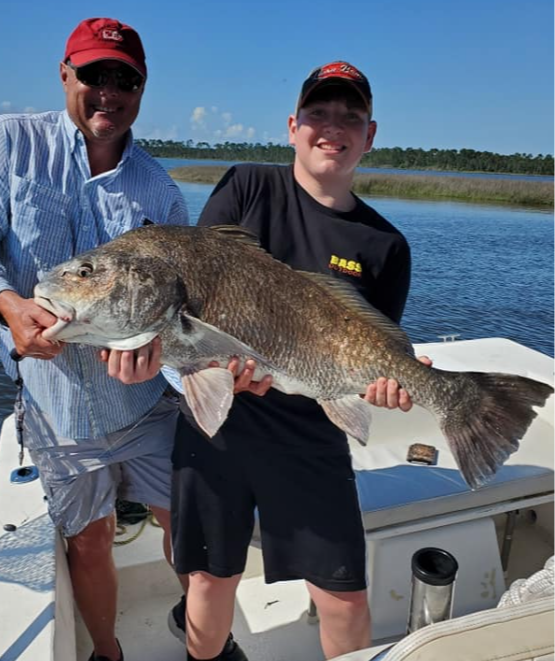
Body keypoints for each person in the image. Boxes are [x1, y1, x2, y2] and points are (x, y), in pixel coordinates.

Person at [0, 17, 189, 661]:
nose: (109, 90)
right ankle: (108, 652)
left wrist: (164, 348)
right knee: (90, 539)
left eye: (125, 78)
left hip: (144, 400)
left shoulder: (159, 189)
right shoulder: (8, 143)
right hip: (55, 405)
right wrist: (8, 304)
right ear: (64, 74)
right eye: (95, 74)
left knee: (184, 520)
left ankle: (201, 637)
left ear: (142, 88)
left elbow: (181, 303)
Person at [170, 61, 430, 661]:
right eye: (318, 113)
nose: (331, 128)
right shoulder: (247, 187)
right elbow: (198, 285)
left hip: (311, 434)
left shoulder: (385, 245)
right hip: (220, 426)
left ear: (370, 135)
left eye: (350, 117)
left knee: (345, 600)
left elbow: (378, 350)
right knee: (210, 580)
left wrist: (385, 384)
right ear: (293, 126)